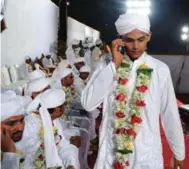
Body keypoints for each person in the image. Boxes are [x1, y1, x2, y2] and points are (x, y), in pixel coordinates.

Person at [81, 13, 185, 169]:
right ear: (120, 39)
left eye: (141, 40)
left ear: (149, 37)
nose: (136, 46)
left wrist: (179, 153)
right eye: (129, 40)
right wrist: (114, 66)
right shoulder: (107, 67)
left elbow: (169, 113)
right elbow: (88, 104)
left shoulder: (159, 70)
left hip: (147, 155)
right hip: (111, 154)